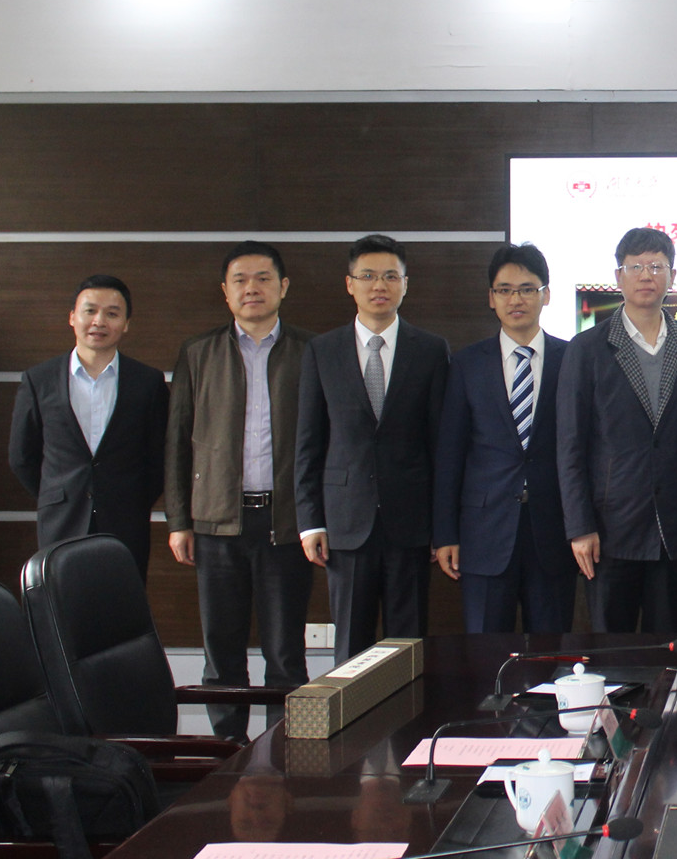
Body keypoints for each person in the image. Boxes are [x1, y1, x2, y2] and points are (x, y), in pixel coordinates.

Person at [165, 242, 314, 739]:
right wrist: (179, 520)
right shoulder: (198, 352)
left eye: (263, 278)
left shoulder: (310, 351)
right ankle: (227, 749)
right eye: (241, 280)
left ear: (283, 287)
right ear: (225, 292)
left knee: (286, 651)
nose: (252, 288)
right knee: (221, 650)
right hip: (216, 521)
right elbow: (177, 441)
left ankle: (288, 749)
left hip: (286, 522)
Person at [295, 234, 449, 660]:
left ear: (405, 284)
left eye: (390, 276)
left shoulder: (431, 350)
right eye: (367, 276)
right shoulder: (322, 350)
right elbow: (308, 442)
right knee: (350, 647)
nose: (379, 285)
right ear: (350, 284)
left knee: (407, 647)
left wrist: (442, 527)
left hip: (411, 524)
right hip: (345, 524)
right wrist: (310, 522)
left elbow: (441, 446)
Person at [555, 227, 677, 634]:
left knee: (666, 646)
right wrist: (580, 527)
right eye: (635, 267)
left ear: (672, 276)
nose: (646, 275)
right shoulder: (587, 349)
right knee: (610, 649)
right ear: (618, 277)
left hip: (674, 528)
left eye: (656, 266)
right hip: (608, 531)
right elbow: (569, 445)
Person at [433, 243, 574, 634]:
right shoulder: (466, 364)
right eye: (505, 290)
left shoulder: (572, 359)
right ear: (491, 298)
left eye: (527, 289)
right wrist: (445, 534)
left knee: (550, 651)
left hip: (553, 531)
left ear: (546, 295)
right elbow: (450, 454)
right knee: (484, 654)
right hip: (484, 532)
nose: (516, 299)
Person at [9, 274, 168, 578]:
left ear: (126, 323)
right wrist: (57, 493)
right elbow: (21, 456)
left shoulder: (147, 382)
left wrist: (130, 497)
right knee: (62, 602)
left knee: (121, 603)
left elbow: (158, 457)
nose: (99, 321)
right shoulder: (39, 380)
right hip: (60, 521)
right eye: (90, 311)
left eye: (112, 313)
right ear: (72, 317)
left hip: (126, 521)